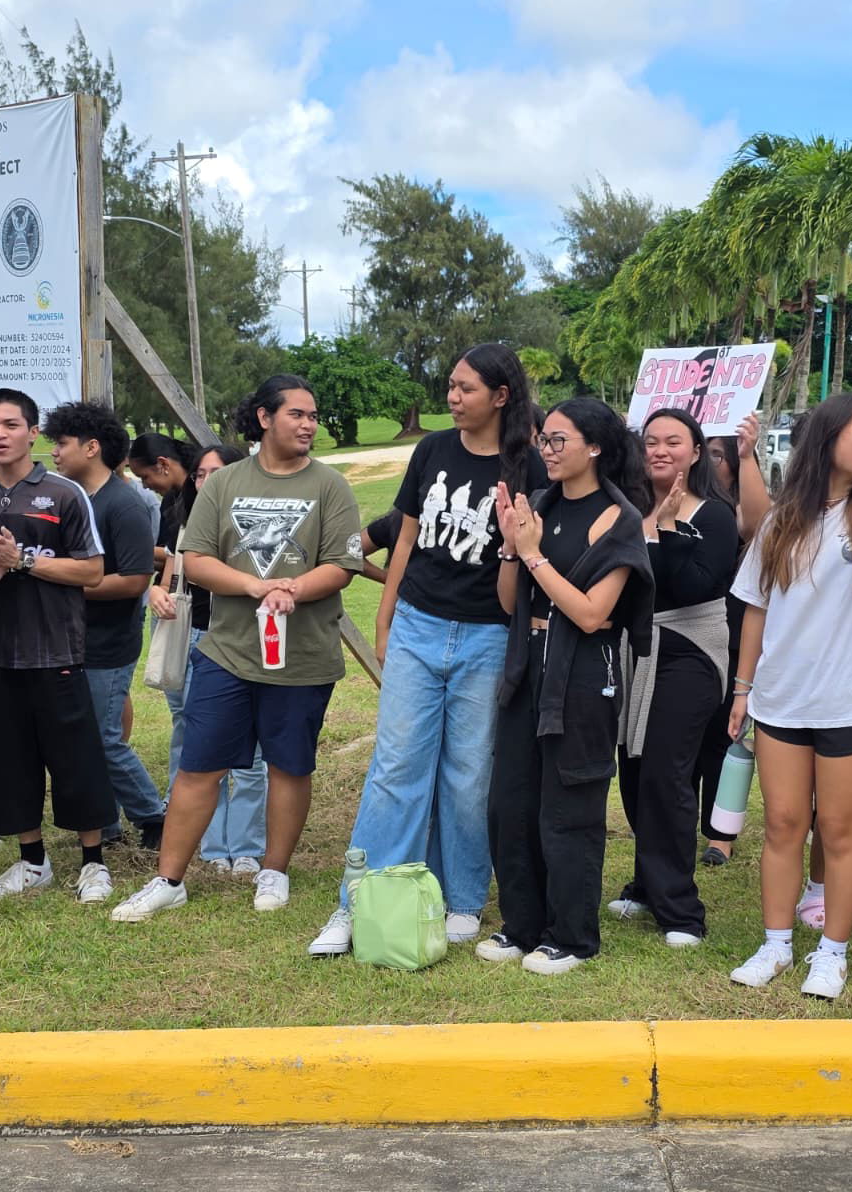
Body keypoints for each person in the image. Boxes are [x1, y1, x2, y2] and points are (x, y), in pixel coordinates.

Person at [308, 343, 542, 956]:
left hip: (489, 636)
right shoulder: (432, 449)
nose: (452, 397)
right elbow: (404, 539)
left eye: (466, 389)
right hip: (417, 624)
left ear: (501, 396)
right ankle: (357, 901)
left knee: (469, 775)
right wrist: (386, 620)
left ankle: (461, 899)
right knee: (396, 768)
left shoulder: (528, 467)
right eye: (451, 385)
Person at [111, 375, 363, 921]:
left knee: (289, 766)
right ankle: (168, 880)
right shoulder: (224, 483)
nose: (309, 424)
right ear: (265, 418)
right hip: (226, 653)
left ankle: (273, 871)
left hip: (303, 658)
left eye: (313, 416)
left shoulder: (330, 486)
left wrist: (294, 589)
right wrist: (255, 586)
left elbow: (342, 565)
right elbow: (196, 558)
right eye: (297, 414)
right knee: (199, 766)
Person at [723, 394, 852, 999]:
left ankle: (832, 955)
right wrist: (743, 688)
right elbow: (756, 609)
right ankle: (776, 944)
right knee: (783, 825)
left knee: (839, 831)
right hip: (780, 700)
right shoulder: (782, 519)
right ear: (829, 436)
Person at [477, 398, 654, 974]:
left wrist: (532, 555)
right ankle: (521, 926)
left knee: (569, 806)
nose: (547, 451)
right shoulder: (540, 505)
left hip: (582, 673)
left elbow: (590, 613)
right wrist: (511, 547)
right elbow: (510, 603)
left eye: (558, 440)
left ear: (594, 447)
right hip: (527, 666)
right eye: (543, 441)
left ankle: (572, 936)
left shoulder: (618, 519)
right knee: (511, 803)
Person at [0, 388, 117, 905]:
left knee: (76, 762)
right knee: (9, 764)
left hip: (56, 651)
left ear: (32, 433)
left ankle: (93, 863)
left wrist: (23, 561)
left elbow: (92, 571)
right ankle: (32, 862)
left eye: (11, 425)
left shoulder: (64, 493)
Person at [607, 408, 738, 948]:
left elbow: (690, 587)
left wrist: (665, 529)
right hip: (634, 649)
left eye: (674, 442)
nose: (660, 450)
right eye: (651, 441)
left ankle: (681, 910)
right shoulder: (625, 506)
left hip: (690, 650)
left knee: (667, 771)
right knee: (634, 769)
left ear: (696, 451)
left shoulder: (715, 514)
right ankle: (647, 882)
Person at [131, 436, 267, 878]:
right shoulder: (183, 516)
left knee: (251, 752)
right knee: (196, 742)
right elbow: (169, 576)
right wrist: (157, 592)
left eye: (216, 473)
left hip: (244, 639)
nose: (205, 481)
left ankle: (246, 846)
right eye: (200, 474)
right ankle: (209, 842)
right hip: (191, 635)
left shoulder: (259, 521)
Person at [42, 403, 165, 851]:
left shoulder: (123, 504)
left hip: (108, 643)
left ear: (91, 447)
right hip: (71, 641)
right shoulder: (76, 498)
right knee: (83, 739)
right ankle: (105, 823)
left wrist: (64, 586)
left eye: (62, 443)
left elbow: (134, 580)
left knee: (104, 740)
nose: (54, 452)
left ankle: (154, 817)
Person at [695, 412, 770, 866]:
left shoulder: (745, 509)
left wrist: (746, 454)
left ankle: (720, 833)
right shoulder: (679, 504)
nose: (708, 464)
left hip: (736, 640)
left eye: (717, 456)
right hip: (693, 638)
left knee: (727, 737)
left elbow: (753, 526)